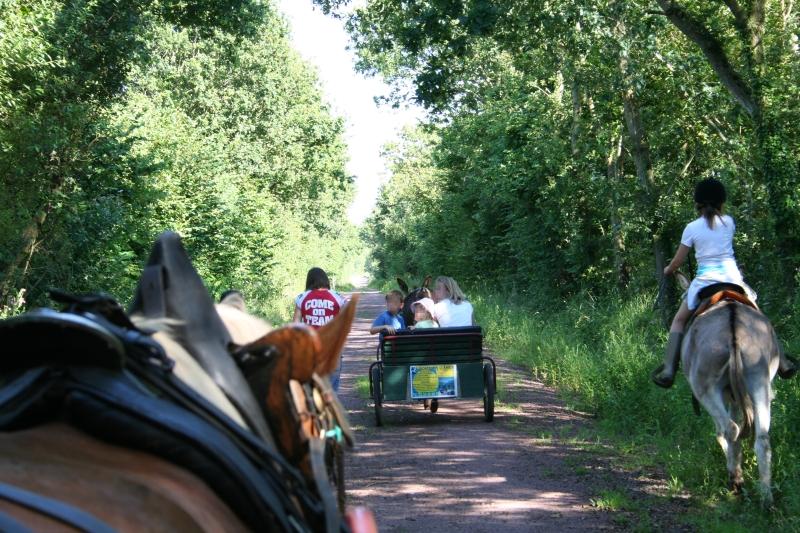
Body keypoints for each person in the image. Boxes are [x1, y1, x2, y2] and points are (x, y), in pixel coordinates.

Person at [652, 178, 797, 388]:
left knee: (679, 321)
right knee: (760, 317)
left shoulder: (691, 228)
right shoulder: (729, 222)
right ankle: (782, 362)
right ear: (722, 202)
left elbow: (678, 260)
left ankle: (668, 370)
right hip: (732, 279)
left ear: (697, 203)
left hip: (704, 282)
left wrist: (669, 270)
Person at [293, 267, 348, 391]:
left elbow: (295, 325)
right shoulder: (338, 298)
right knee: (332, 387)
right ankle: (330, 408)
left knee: (311, 385)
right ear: (325, 280)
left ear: (309, 281)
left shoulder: (301, 298)